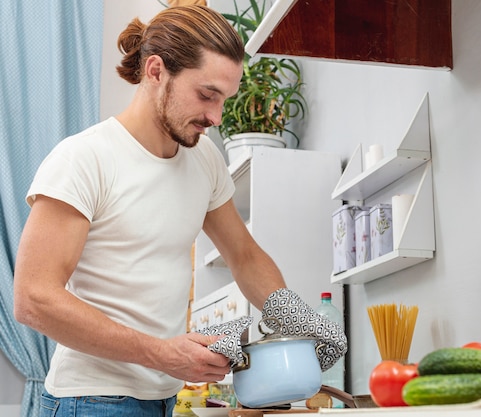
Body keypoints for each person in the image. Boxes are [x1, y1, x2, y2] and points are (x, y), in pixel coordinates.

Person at [13, 5, 346, 417]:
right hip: (90, 400)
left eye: (224, 99)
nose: (216, 117)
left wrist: (296, 320)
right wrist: (162, 354)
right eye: (207, 95)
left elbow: (243, 255)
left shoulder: (203, 157)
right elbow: (33, 298)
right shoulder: (84, 159)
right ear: (155, 71)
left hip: (162, 400)